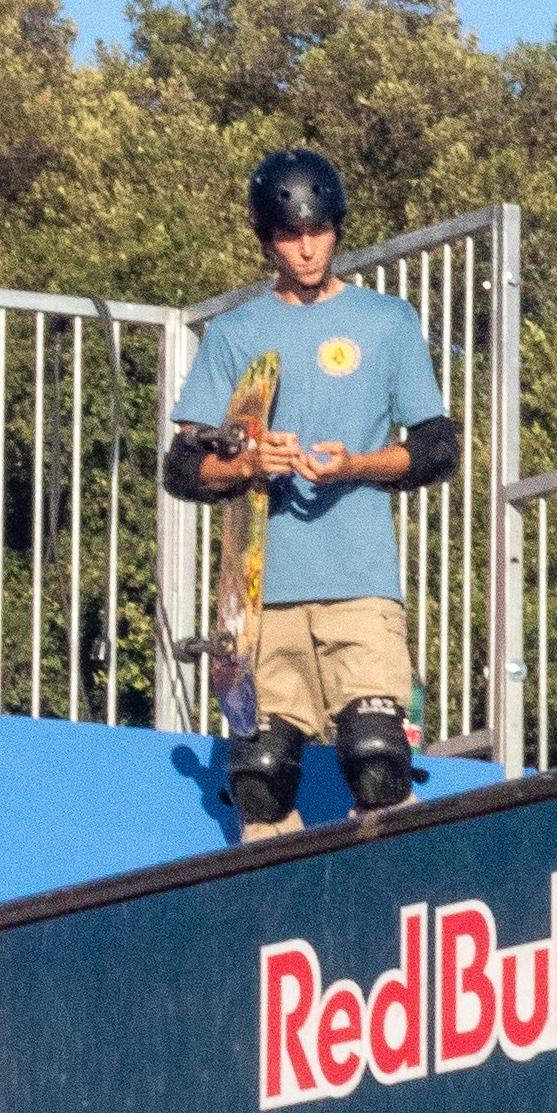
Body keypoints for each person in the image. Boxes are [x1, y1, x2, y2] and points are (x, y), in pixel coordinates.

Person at [162, 149, 460, 833]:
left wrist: (356, 464)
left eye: (318, 231)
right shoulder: (234, 334)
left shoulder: (387, 321)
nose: (306, 249)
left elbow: (437, 448)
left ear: (336, 228)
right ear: (266, 238)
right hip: (261, 599)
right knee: (260, 778)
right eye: (290, 235)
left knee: (377, 761)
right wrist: (247, 464)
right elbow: (182, 467)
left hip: (360, 584)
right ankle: (270, 892)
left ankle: (402, 886)